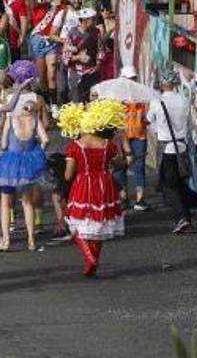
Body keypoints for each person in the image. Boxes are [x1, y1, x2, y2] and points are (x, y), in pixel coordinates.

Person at [59, 98, 126, 276]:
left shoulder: (75, 147)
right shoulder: (108, 145)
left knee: (75, 224)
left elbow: (68, 175)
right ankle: (93, 260)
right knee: (99, 223)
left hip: (83, 184)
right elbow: (119, 164)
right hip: (105, 185)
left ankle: (89, 257)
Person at [0, 97, 48, 251]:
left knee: (5, 202)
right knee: (27, 202)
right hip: (27, 164)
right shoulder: (35, 121)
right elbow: (46, 140)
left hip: (9, 164)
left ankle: (6, 240)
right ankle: (31, 240)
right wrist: (37, 149)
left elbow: (3, 144)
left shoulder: (11, 119)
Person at [149, 71, 191, 232]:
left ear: (162, 84)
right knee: (181, 183)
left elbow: (148, 119)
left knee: (170, 185)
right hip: (182, 147)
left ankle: (182, 217)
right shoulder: (183, 100)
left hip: (167, 148)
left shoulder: (157, 102)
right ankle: (185, 216)